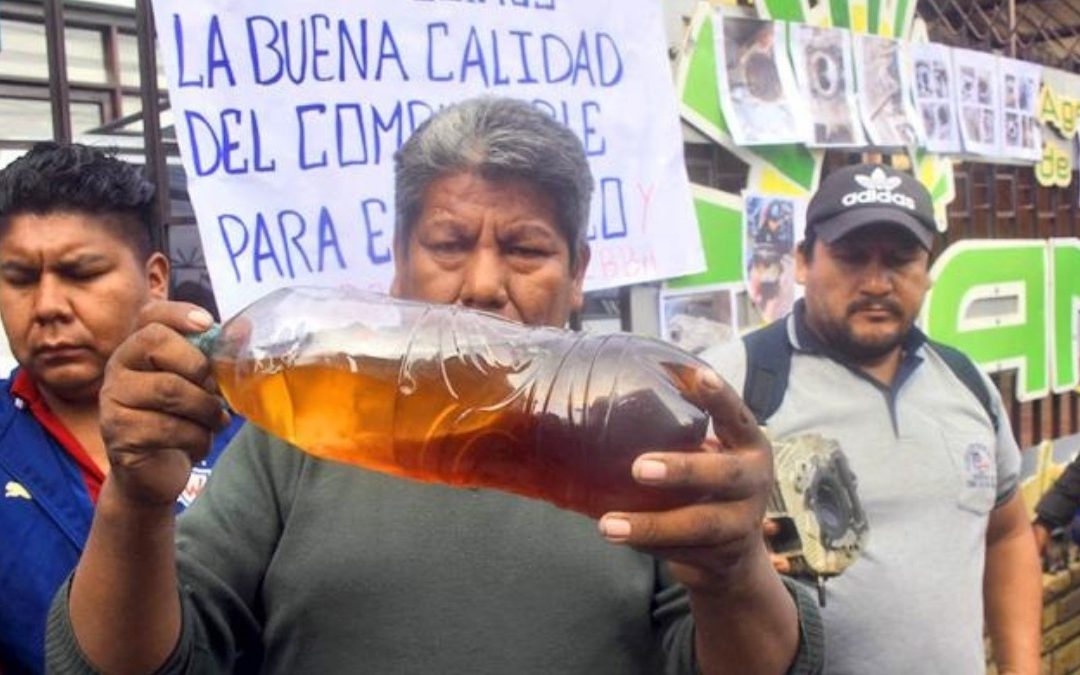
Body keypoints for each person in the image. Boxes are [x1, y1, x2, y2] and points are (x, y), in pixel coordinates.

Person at [47, 97, 822, 674]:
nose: (482, 284)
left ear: (579, 272)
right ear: (397, 260)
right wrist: (135, 503)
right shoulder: (302, 425)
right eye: (448, 243)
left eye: (526, 248)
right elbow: (129, 661)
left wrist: (733, 574)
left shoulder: (644, 436)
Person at [703, 164, 1042, 674]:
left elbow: (1007, 534)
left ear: (926, 272)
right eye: (852, 257)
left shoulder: (966, 383)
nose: (878, 283)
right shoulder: (734, 387)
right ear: (801, 261)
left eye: (901, 260)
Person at [0, 143, 240, 674]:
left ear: (155, 278)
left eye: (81, 273)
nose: (47, 307)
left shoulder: (253, 428)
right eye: (18, 279)